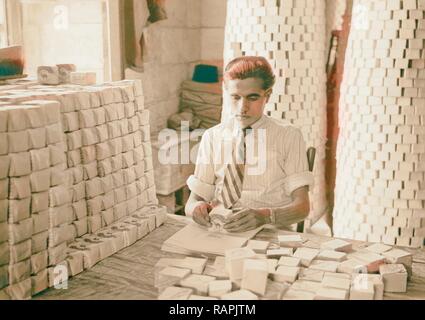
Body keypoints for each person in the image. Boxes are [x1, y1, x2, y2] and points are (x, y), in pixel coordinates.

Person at [185, 56, 313, 232]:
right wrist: (196, 209)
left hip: (271, 230)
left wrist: (265, 216)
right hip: (223, 229)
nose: (242, 107)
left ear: (267, 95)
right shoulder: (212, 136)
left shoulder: (289, 135)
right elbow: (192, 201)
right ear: (225, 92)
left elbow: (302, 208)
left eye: (252, 97)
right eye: (235, 97)